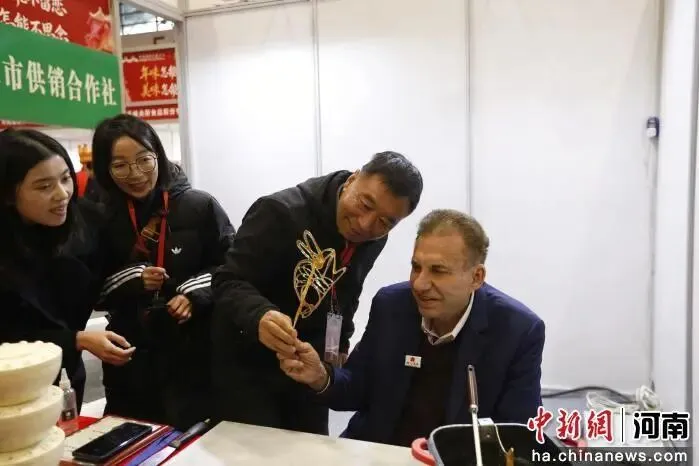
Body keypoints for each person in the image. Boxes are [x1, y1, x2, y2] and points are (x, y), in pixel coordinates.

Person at [278, 209, 545, 446]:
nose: (420, 284)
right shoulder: (392, 306)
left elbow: (519, 435)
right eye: (416, 267)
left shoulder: (517, 330)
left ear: (476, 277)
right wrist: (320, 376)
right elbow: (356, 388)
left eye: (438, 271)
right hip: (378, 453)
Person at [211, 151, 423, 435]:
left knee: (313, 451)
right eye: (365, 204)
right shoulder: (280, 212)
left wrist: (340, 343)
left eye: (386, 222)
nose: (365, 224)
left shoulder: (375, 238)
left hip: (307, 364)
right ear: (353, 179)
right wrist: (259, 315)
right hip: (247, 366)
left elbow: (347, 293)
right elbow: (227, 279)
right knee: (259, 451)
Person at [91, 114, 235, 429]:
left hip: (194, 354)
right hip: (130, 356)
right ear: (104, 168)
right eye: (120, 165)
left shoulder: (200, 206)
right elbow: (90, 291)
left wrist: (193, 294)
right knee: (131, 438)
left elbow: (232, 269)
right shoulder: (97, 217)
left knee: (196, 442)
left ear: (159, 154)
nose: (136, 174)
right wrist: (132, 279)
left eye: (145, 160)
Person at [0, 128, 134, 409]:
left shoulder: (86, 223)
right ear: (9, 194)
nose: (62, 194)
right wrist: (75, 339)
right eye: (44, 186)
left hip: (66, 373)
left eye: (65, 179)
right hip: (10, 383)